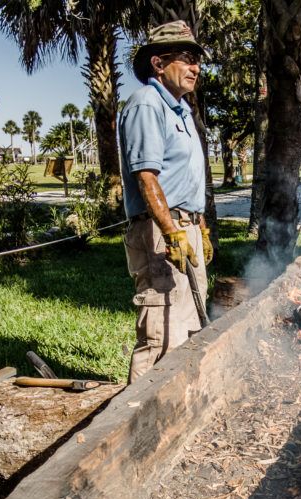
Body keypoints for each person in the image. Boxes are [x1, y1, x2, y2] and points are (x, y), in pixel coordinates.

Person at [118, 20, 213, 384]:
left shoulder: (182, 111)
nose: (195, 68)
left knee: (189, 325)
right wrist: (172, 231)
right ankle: (136, 416)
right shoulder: (146, 104)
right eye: (187, 58)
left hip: (184, 227)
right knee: (161, 333)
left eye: (197, 61)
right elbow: (147, 177)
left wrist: (199, 229)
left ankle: (177, 407)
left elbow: (187, 179)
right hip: (160, 231)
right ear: (158, 64)